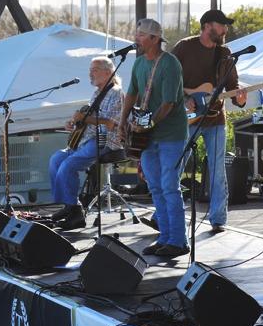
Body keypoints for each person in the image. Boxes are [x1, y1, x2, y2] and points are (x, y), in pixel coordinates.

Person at [171, 9, 247, 234]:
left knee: (217, 169)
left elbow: (232, 86)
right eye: (221, 25)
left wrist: (240, 98)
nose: (225, 30)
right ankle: (166, 214)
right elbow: (168, 78)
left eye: (225, 26)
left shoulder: (225, 53)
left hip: (216, 118)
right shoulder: (185, 47)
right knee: (175, 166)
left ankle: (218, 218)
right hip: (185, 118)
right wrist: (185, 99)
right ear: (206, 26)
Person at [119, 18, 189, 258]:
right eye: (137, 34)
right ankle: (165, 237)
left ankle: (178, 241)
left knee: (170, 187)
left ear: (155, 38)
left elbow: (169, 103)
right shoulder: (139, 63)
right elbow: (131, 94)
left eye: (141, 35)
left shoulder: (170, 64)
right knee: (156, 187)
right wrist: (122, 123)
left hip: (171, 135)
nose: (136, 38)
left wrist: (146, 125)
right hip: (147, 137)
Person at [49, 56, 124, 230]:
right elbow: (88, 119)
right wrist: (75, 123)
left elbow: (111, 123)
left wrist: (84, 118)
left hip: (104, 141)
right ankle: (70, 206)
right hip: (86, 140)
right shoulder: (97, 93)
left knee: (68, 165)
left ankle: (75, 212)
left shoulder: (116, 92)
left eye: (95, 70)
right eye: (90, 70)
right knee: (55, 159)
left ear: (108, 72)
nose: (90, 73)